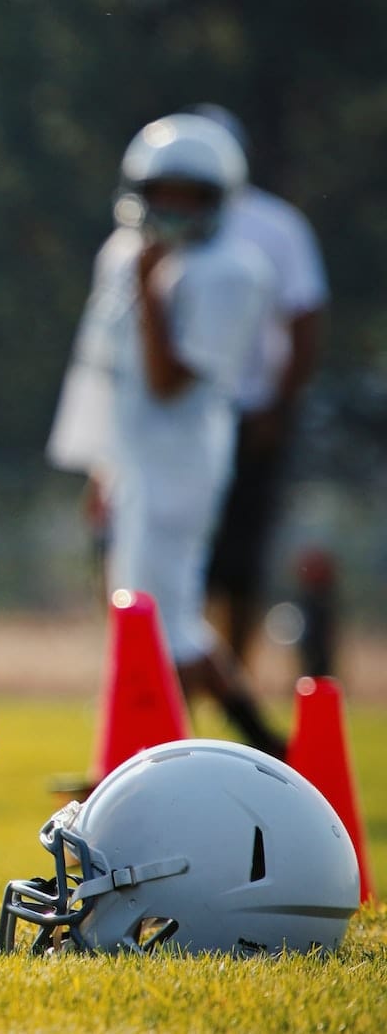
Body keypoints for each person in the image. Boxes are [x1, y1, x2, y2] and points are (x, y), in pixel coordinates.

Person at [46, 113, 285, 757]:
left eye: (191, 195)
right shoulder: (125, 252)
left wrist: (152, 290)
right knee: (155, 618)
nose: (174, 209)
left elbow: (167, 381)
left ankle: (163, 754)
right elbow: (111, 377)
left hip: (182, 462)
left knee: (156, 621)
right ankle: (255, 744)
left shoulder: (233, 270)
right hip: (139, 461)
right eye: (165, 192)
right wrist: (106, 465)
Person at [186, 105, 329, 671]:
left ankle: (232, 676)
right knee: (179, 561)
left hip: (248, 413)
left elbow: (305, 322)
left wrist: (279, 407)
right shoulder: (164, 227)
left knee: (239, 560)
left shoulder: (276, 226)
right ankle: (181, 680)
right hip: (179, 418)